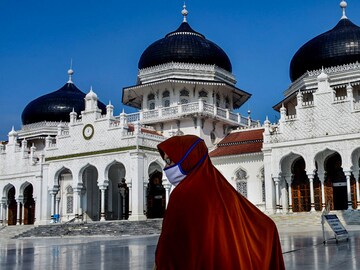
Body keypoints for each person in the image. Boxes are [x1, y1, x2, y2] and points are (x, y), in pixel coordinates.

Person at [154, 135, 285, 270]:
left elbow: (169, 247)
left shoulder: (182, 194)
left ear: (188, 158)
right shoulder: (222, 188)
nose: (166, 168)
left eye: (170, 161)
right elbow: (264, 225)